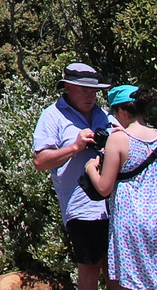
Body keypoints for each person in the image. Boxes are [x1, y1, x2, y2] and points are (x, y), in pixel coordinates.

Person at [84, 85, 157, 290]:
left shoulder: (118, 140)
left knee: (133, 283)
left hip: (133, 222)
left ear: (122, 111)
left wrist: (91, 168)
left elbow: (104, 188)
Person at [34, 62, 115, 290]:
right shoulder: (52, 116)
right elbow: (40, 161)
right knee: (89, 269)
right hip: (83, 208)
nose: (90, 97)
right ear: (68, 88)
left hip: (114, 205)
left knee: (117, 271)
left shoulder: (103, 115)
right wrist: (75, 147)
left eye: (93, 91)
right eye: (83, 90)